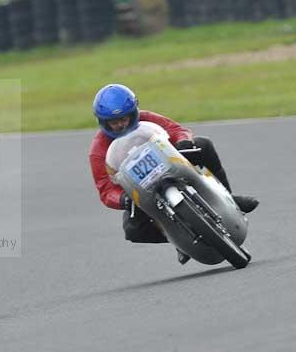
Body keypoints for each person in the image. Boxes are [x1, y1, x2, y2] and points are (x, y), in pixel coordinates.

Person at [88, 84, 259, 264]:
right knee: (133, 230)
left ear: (134, 111)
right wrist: (123, 199)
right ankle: (178, 240)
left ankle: (229, 199)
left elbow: (177, 130)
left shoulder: (148, 119)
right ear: (103, 122)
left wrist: (183, 142)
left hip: (169, 164)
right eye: (114, 122)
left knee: (204, 145)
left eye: (125, 118)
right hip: (139, 190)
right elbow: (105, 189)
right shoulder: (98, 149)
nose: (121, 124)